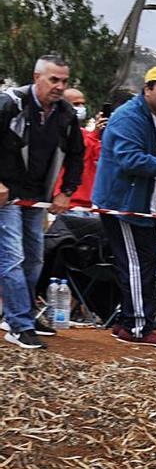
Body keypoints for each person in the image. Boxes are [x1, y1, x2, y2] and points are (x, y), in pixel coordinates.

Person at [91, 65, 156, 349]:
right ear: (147, 89)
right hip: (123, 203)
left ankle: (128, 322)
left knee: (146, 263)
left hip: (149, 205)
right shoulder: (128, 117)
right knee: (136, 265)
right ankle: (137, 326)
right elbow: (130, 159)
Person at [0, 55, 85, 349]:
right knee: (12, 257)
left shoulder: (65, 114)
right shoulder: (10, 103)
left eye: (64, 81)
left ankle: (20, 312)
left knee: (35, 257)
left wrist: (67, 191)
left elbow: (77, 155)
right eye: (53, 80)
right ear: (36, 77)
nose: (60, 87)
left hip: (37, 197)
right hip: (6, 196)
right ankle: (19, 324)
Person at [53, 88, 104, 214]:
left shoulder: (88, 134)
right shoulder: (57, 132)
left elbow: (101, 157)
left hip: (90, 204)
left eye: (82, 104)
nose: (81, 107)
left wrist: (104, 135)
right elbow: (80, 154)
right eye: (76, 104)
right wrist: (95, 134)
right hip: (67, 202)